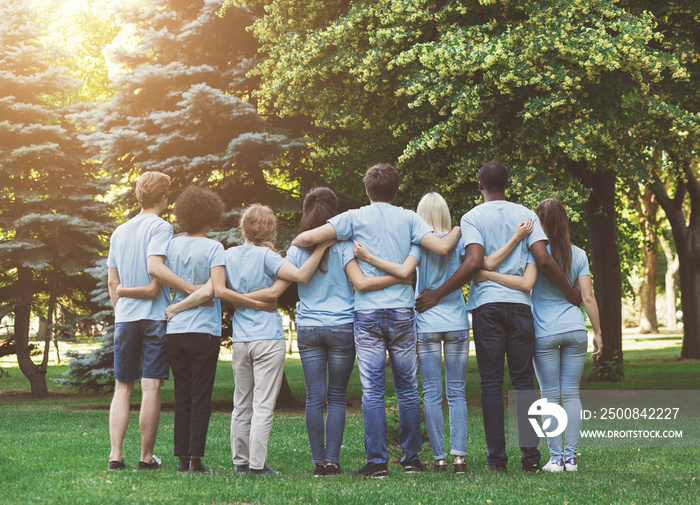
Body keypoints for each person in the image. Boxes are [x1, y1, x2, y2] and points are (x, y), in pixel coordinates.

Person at [292, 163, 461, 478]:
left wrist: (329, 239)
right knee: (408, 387)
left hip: (367, 313)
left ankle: (378, 463)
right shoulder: (410, 218)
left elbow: (306, 238)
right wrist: (459, 228)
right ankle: (411, 459)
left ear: (367, 190)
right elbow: (440, 247)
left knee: (372, 390)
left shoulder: (353, 218)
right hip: (401, 312)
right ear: (396, 190)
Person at [416, 161, 582, 472]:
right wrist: (570, 291)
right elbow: (544, 260)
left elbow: (474, 262)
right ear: (508, 183)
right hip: (520, 306)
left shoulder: (472, 217)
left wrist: (437, 293)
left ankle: (497, 460)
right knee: (523, 381)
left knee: (491, 383)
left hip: (486, 308)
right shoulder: (527, 215)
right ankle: (530, 459)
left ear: (480, 185)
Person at [354, 192, 533, 474]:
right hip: (457, 322)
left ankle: (439, 458)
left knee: (432, 393)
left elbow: (404, 273)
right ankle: (459, 458)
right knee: (457, 393)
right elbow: (479, 265)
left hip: (426, 322)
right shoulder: (460, 239)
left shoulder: (416, 241)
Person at [280, 187, 409, 477]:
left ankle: (318, 464)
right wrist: (399, 276)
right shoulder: (344, 246)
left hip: (309, 327)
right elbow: (359, 282)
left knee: (314, 397)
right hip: (341, 326)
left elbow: (286, 277)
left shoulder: (297, 248)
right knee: (337, 397)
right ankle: (332, 462)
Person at [480, 198, 602, 472]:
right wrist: (598, 332)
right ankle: (571, 458)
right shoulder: (579, 254)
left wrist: (488, 275)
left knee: (548, 396)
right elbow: (588, 297)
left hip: (544, 331)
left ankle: (556, 459)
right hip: (574, 329)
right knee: (571, 395)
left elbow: (525, 284)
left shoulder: (532, 252)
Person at [212, 204, 334, 476]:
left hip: (241, 339)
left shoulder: (228, 255)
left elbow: (220, 290)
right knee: (263, 404)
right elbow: (301, 275)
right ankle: (257, 465)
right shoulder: (267, 256)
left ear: (244, 227)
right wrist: (321, 248)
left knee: (241, 402)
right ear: (269, 229)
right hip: (267, 337)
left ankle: (240, 462)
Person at [106, 171, 179, 471]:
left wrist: (120, 311)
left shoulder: (119, 232)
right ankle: (146, 458)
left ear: (138, 196)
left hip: (125, 319)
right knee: (150, 388)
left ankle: (115, 456)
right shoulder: (162, 227)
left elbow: (113, 282)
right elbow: (156, 273)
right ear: (164, 197)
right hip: (154, 318)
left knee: (122, 387)